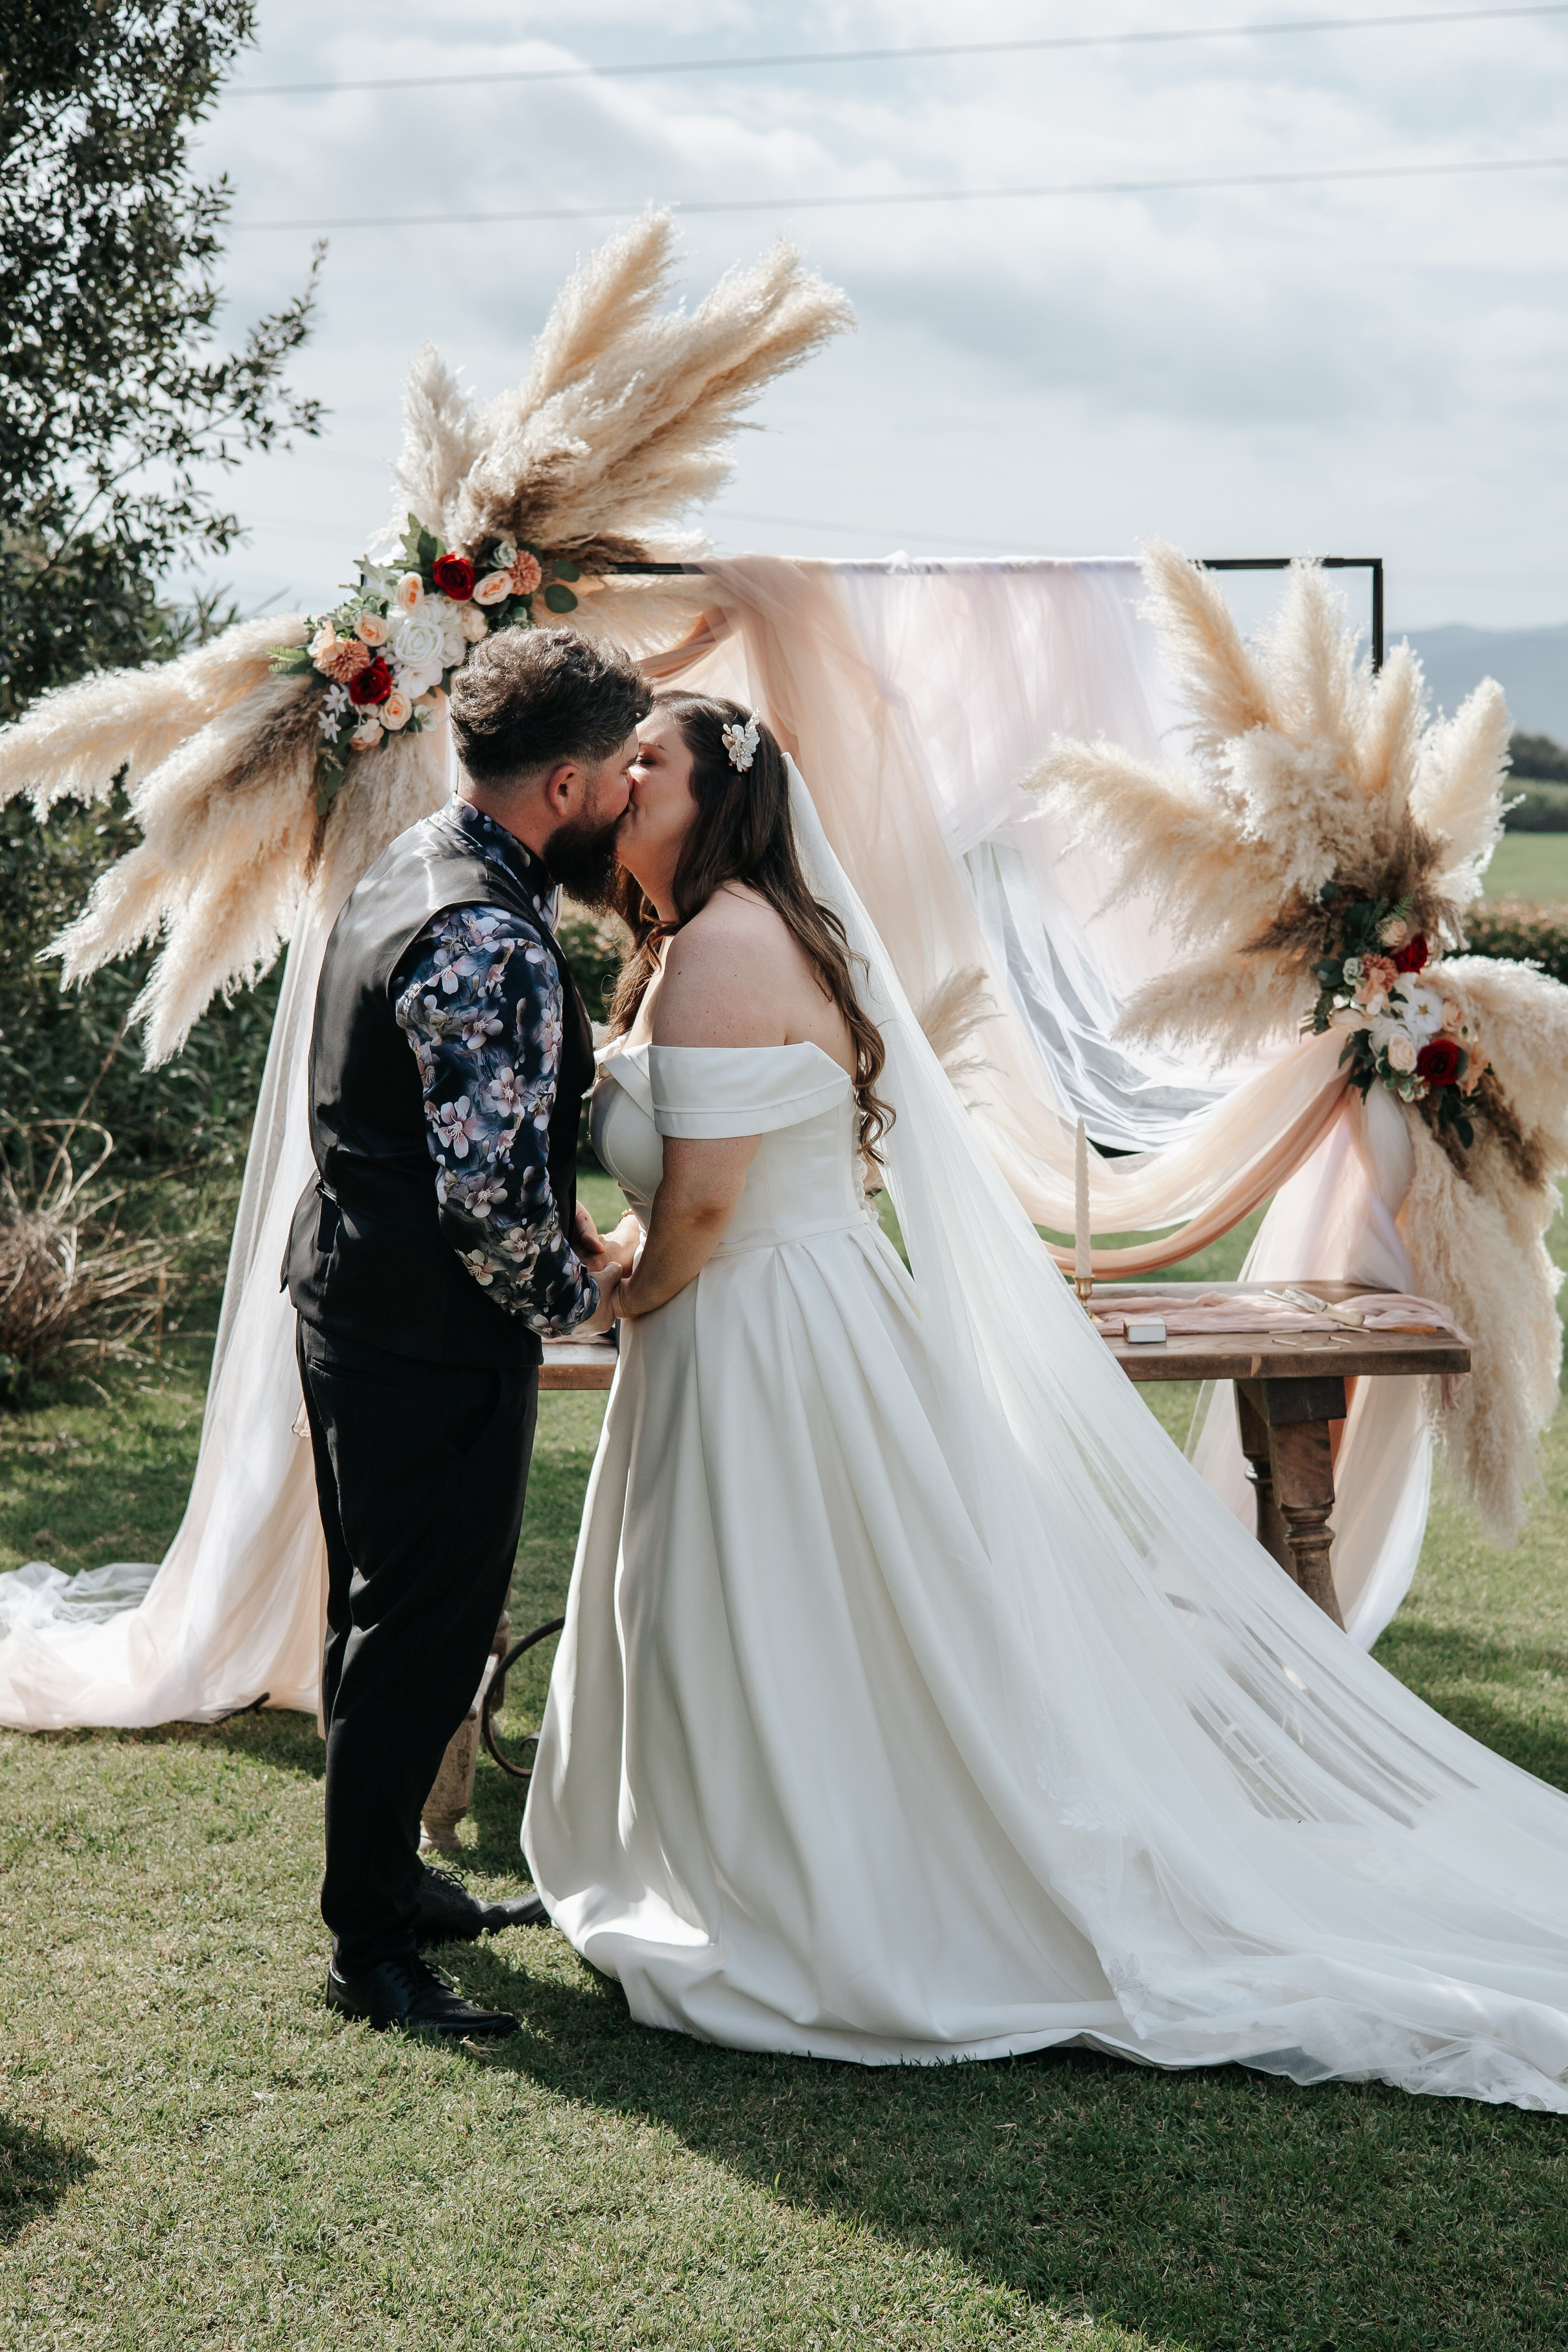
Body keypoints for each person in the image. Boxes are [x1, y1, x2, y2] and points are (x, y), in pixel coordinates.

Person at [522, 692, 1568, 2109]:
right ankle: (780, 1854)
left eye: (654, 759)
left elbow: (703, 1207)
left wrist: (617, 1297)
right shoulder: (708, 941)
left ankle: (808, 1890)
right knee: (814, 1604)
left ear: (720, 799)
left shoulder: (718, 945)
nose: (624, 775)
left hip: (756, 1326)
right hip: (781, 1308)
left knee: (777, 1591)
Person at [285, 628, 646, 2038]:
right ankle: (370, 1943)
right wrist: (586, 1296)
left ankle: (388, 1889)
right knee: (419, 1633)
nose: (629, 798)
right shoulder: (487, 933)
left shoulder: (415, 862)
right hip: (421, 1337)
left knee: (376, 1618)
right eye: (620, 774)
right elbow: (493, 1203)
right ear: (563, 785)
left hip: (351, 1302)